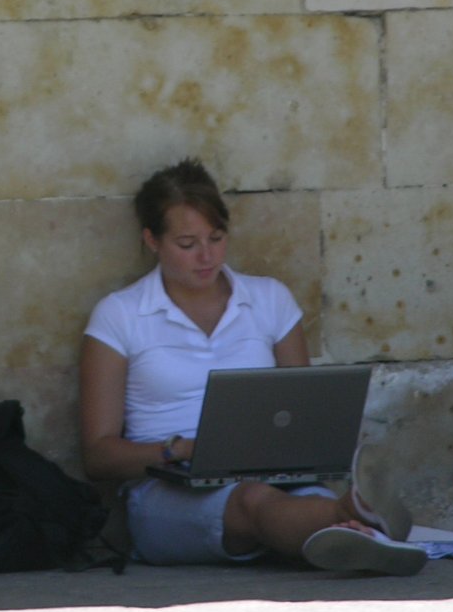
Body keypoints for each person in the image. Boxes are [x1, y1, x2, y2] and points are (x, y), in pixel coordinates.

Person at [78, 158, 425, 574]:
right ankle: (359, 517)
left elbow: (304, 415)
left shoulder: (269, 300)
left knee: (290, 498)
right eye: (187, 244)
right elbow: (98, 456)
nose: (207, 256)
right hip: (165, 494)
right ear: (152, 240)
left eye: (217, 237)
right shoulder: (120, 315)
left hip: (277, 480)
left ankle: (353, 533)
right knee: (251, 499)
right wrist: (182, 450)